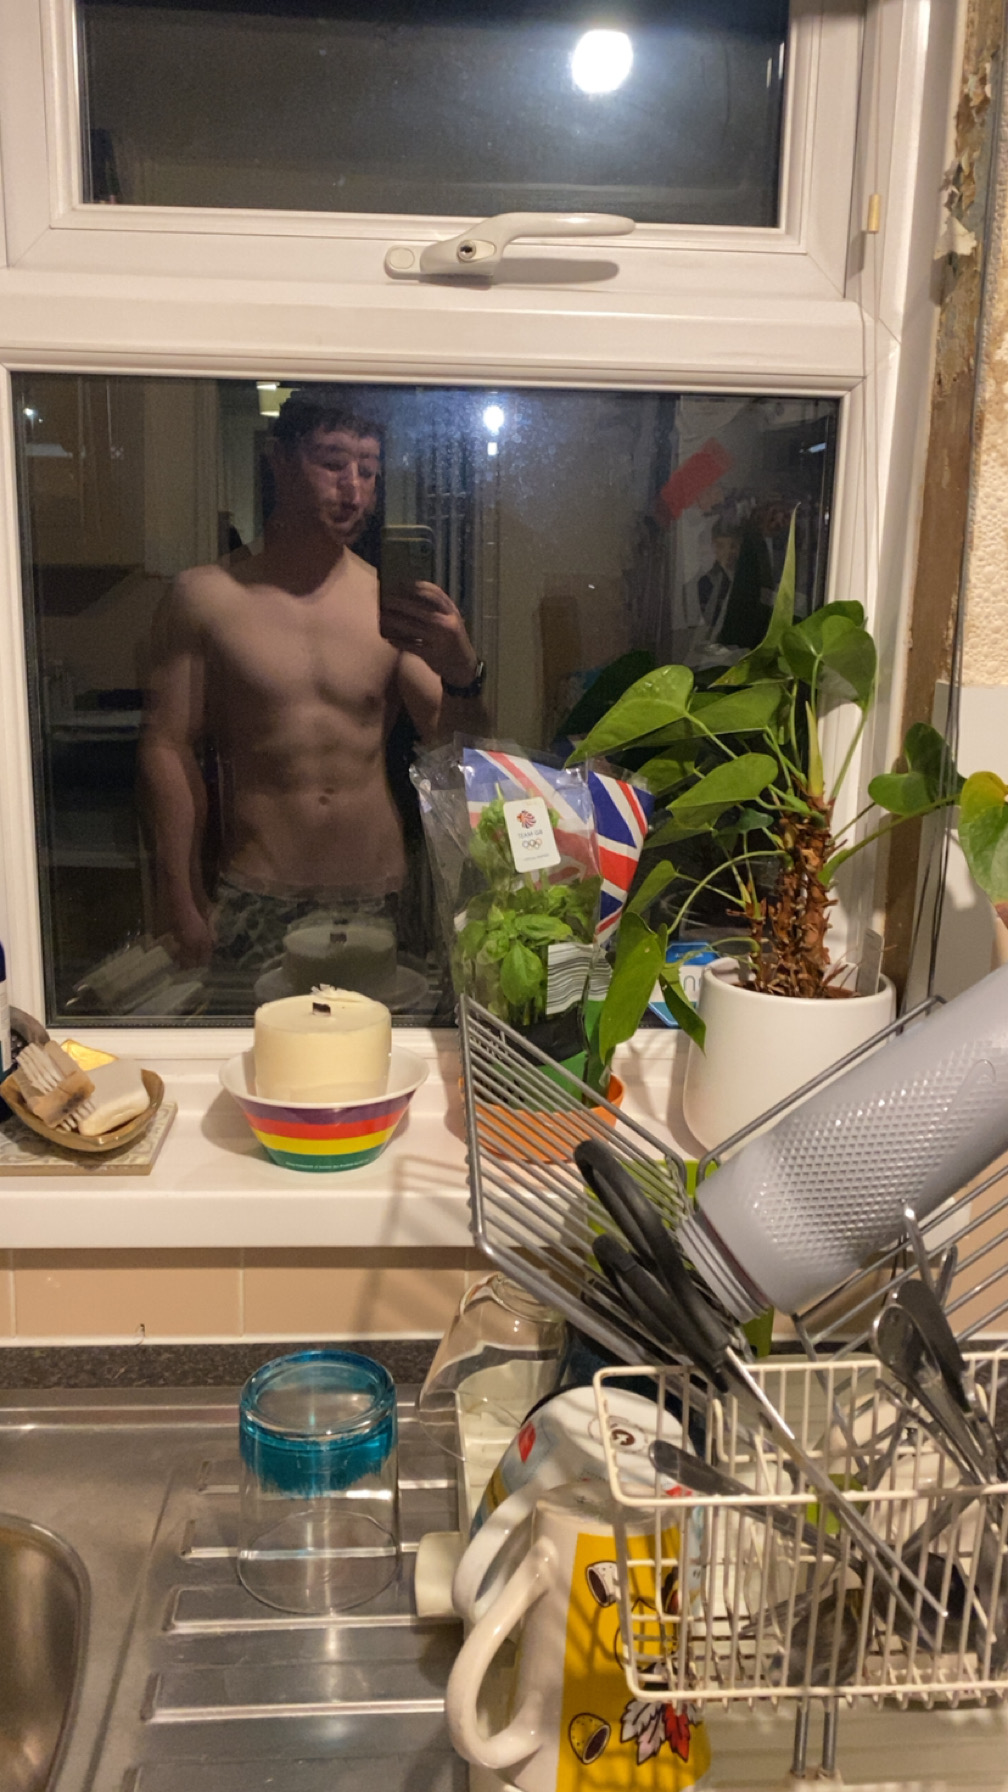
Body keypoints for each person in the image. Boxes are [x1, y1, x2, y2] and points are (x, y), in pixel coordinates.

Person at [138, 389, 486, 973]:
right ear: (279, 459)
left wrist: (462, 672)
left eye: (368, 470)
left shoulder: (388, 602)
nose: (354, 489)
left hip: (379, 895)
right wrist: (180, 895)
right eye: (332, 463)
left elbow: (458, 754)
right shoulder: (207, 597)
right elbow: (167, 748)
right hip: (259, 892)